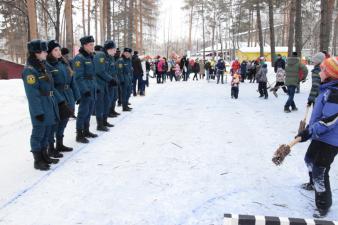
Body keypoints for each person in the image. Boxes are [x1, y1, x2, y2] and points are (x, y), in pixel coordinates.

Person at [295, 57, 338, 217]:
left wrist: (309, 132)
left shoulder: (335, 93)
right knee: (309, 159)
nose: (319, 72)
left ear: (330, 74)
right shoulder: (327, 88)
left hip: (332, 140)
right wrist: (308, 130)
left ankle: (323, 204)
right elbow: (319, 115)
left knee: (320, 170)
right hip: (320, 135)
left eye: (322, 70)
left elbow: (329, 121)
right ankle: (313, 183)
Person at [22, 40, 66, 170]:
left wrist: (60, 101)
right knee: (39, 132)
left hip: (50, 102)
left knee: (48, 131)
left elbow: (51, 87)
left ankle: (44, 154)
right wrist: (37, 112)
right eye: (44, 51)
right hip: (40, 104)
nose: (47, 53)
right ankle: (38, 160)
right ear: (36, 53)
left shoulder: (43, 66)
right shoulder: (30, 71)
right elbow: (32, 94)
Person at [46, 40, 80, 158]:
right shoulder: (48, 65)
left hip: (68, 94)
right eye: (55, 50)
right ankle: (51, 147)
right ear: (49, 52)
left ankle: (59, 144)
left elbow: (72, 80)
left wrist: (77, 96)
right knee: (55, 122)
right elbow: (50, 85)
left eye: (59, 49)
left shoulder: (64, 63)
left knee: (64, 120)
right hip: (57, 96)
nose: (59, 52)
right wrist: (60, 100)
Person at [73, 35, 98, 143]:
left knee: (89, 110)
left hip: (91, 86)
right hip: (85, 88)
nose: (93, 46)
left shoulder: (90, 56)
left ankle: (86, 130)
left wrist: (95, 87)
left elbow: (93, 75)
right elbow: (78, 77)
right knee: (83, 111)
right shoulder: (79, 58)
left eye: (93, 44)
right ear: (84, 45)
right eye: (91, 45)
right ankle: (79, 134)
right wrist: (85, 90)